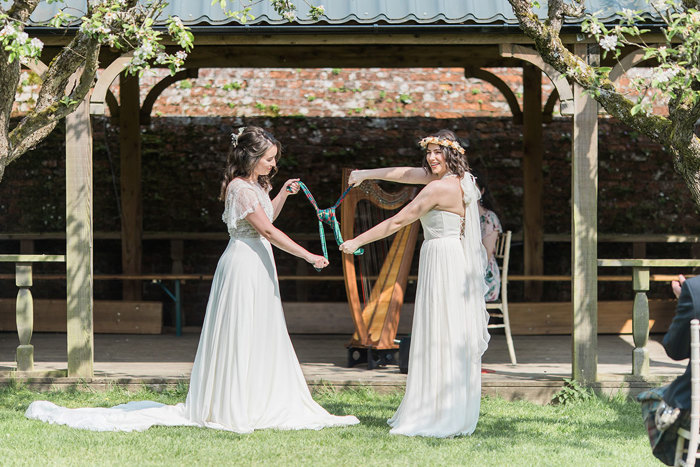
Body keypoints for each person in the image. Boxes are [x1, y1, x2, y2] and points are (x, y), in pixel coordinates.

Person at [26, 126, 359, 433]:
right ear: (251, 157)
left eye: (274, 160)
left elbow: (267, 215)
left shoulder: (257, 186)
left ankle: (260, 397)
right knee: (240, 329)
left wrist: (284, 192)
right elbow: (267, 230)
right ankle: (232, 403)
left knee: (260, 329)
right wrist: (308, 255)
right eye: (269, 159)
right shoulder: (239, 188)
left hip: (260, 263)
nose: (274, 165)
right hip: (243, 264)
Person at [339, 129, 490, 438]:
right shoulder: (464, 181)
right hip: (450, 259)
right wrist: (364, 174)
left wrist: (357, 240)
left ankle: (436, 412)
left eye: (438, 152)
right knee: (446, 331)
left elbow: (397, 221)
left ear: (452, 155)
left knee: (440, 331)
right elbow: (406, 173)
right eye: (429, 152)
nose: (432, 158)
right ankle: (446, 408)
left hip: (443, 260)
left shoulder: (437, 190)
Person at [472, 168, 503, 302]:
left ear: (482, 192)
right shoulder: (459, 217)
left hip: (484, 275)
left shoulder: (489, 218)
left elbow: (486, 254)